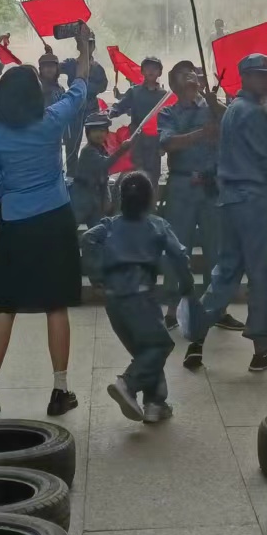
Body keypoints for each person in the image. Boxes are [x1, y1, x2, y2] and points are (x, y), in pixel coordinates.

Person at [0, 31, 97, 418]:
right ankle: (60, 390)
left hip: (15, 224)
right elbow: (81, 85)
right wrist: (84, 48)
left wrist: (13, 193)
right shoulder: (51, 121)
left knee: (4, 306)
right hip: (55, 220)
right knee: (55, 305)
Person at [184, 52, 267, 374]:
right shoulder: (253, 112)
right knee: (261, 274)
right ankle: (260, 350)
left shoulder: (233, 110)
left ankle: (196, 339)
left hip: (229, 200)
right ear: (245, 77)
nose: (266, 80)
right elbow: (266, 160)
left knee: (225, 271)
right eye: (259, 75)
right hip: (254, 200)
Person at [81, 170, 194, 424]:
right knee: (159, 347)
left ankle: (155, 404)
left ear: (121, 199)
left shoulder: (109, 224)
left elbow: (87, 239)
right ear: (150, 199)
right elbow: (179, 255)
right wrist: (185, 285)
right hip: (141, 299)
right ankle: (128, 384)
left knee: (147, 352)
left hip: (113, 301)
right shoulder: (158, 225)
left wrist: (97, 275)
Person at [158, 62, 245, 331]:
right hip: (182, 186)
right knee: (176, 248)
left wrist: (215, 103)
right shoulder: (169, 112)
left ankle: (217, 308)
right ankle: (172, 309)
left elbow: (238, 123)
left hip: (212, 186)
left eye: (194, 72)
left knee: (216, 249)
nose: (191, 76)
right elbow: (167, 143)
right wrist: (200, 134)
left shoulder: (214, 108)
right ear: (174, 84)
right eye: (183, 73)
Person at [111, 56, 169, 181]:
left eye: (155, 68)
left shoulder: (164, 96)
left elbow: (167, 122)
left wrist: (163, 145)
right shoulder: (134, 92)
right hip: (136, 138)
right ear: (142, 71)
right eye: (148, 68)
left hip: (154, 141)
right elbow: (120, 107)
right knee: (135, 172)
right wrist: (108, 113)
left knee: (153, 175)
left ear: (160, 72)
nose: (151, 71)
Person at [61, 36, 110, 173]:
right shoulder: (71, 63)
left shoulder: (98, 68)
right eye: (82, 43)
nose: (86, 47)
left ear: (93, 46)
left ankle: (96, 171)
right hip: (75, 108)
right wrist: (49, 54)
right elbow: (55, 69)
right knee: (72, 143)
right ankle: (72, 174)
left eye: (89, 44)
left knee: (97, 141)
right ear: (78, 45)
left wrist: (86, 87)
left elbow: (103, 86)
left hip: (91, 108)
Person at [70, 111, 113, 229]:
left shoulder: (102, 150)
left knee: (98, 230)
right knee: (71, 229)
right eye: (95, 131)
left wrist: (107, 199)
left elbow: (104, 178)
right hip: (82, 198)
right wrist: (121, 151)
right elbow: (105, 164)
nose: (99, 134)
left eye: (102, 130)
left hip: (96, 199)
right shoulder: (88, 151)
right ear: (88, 134)